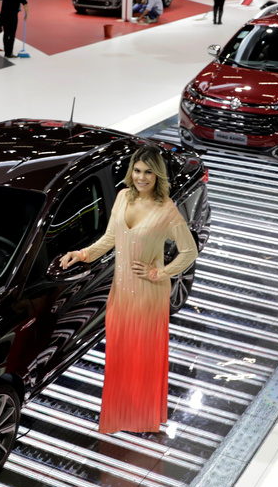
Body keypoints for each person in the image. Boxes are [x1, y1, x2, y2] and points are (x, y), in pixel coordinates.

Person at [58, 146, 199, 434]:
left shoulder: (166, 210)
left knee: (144, 357)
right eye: (137, 170)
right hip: (121, 292)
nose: (141, 177)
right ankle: (122, 414)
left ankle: (143, 417)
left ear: (157, 175)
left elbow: (189, 251)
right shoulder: (123, 197)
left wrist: (159, 272)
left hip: (149, 294)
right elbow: (110, 238)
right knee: (121, 356)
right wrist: (82, 254)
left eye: (148, 172)